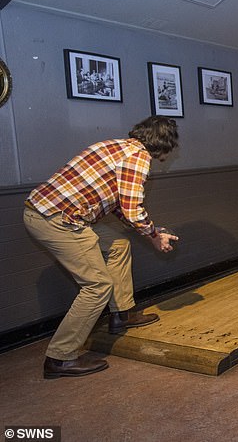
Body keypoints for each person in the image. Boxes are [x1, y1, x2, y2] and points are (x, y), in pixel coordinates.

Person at [23, 115, 180, 378]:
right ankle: (60, 357)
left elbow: (117, 204)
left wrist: (149, 232)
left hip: (47, 213)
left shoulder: (110, 146)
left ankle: (122, 315)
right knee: (97, 286)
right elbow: (132, 209)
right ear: (163, 145)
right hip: (58, 220)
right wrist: (154, 234)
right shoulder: (138, 158)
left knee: (118, 245)